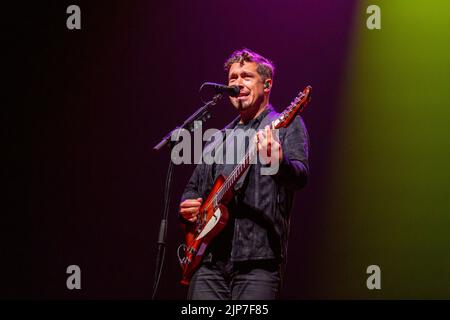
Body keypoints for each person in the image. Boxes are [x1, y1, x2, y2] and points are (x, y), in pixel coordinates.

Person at [179, 48, 309, 300]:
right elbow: (193, 187)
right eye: (232, 79)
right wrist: (189, 206)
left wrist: (279, 161)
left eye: (246, 77)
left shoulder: (285, 124)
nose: (237, 83)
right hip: (208, 262)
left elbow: (300, 177)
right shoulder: (218, 139)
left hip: (258, 262)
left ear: (267, 84)